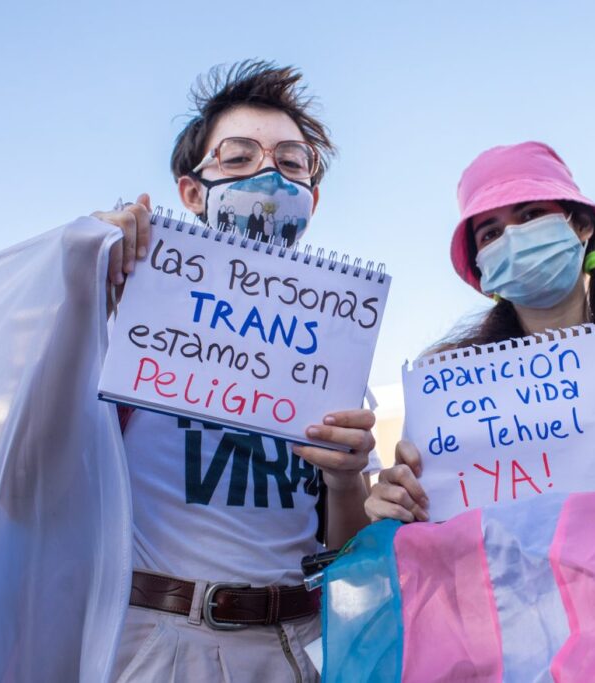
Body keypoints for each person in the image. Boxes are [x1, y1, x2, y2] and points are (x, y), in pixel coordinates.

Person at [365, 141, 595, 682]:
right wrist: (396, 509)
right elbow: (441, 557)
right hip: (513, 656)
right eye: (490, 232)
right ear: (482, 269)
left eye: (529, 215)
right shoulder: (448, 396)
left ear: (581, 225)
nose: (512, 238)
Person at [90, 61, 376, 682]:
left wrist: (349, 480)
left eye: (292, 163)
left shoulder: (338, 352)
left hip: (298, 647)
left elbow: (346, 549)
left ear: (313, 198)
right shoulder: (126, 325)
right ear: (192, 192)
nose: (269, 175)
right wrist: (83, 289)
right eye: (239, 158)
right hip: (159, 645)